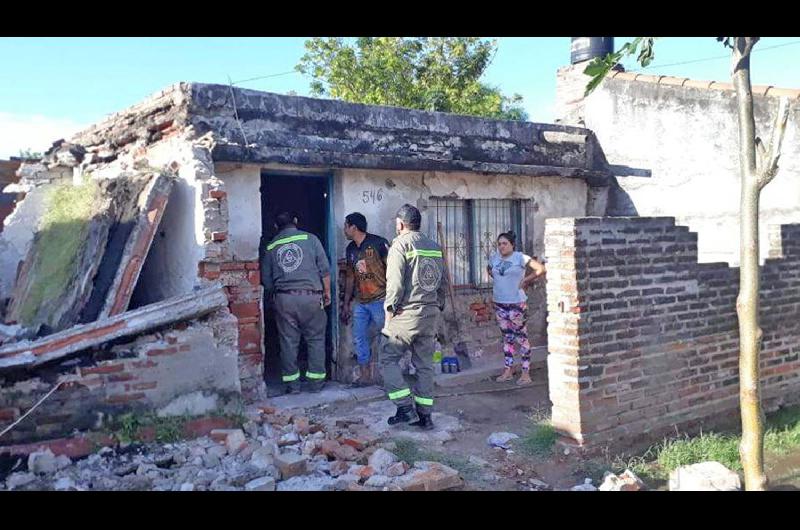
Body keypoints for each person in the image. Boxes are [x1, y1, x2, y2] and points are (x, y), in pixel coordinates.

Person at [380, 204, 447, 430]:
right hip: (430, 313)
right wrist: (438, 307)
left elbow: (395, 283)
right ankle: (425, 416)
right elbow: (442, 283)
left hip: (406, 313)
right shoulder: (434, 246)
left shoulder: (400, 244)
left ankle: (405, 407)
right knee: (425, 365)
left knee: (387, 358)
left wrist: (390, 310)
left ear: (400, 224)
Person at [262, 212, 332, 394]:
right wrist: (327, 293)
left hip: (284, 299)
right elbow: (325, 270)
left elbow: (267, 281)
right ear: (295, 221)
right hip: (311, 297)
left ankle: (292, 386)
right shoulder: (311, 239)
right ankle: (316, 384)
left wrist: (275, 298)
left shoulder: (271, 246)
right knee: (316, 339)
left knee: (288, 342)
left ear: (276, 227)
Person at [486, 231, 546, 386]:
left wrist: (525, 280)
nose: (501, 247)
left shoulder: (520, 257)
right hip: (499, 303)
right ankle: (508, 370)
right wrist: (501, 282)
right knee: (507, 338)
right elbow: (489, 269)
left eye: (505, 243)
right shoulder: (494, 258)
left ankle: (526, 372)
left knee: (521, 338)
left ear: (512, 245)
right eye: (499, 244)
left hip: (516, 304)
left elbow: (540, 269)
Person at [342, 212, 390, 387]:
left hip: (381, 300)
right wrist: (346, 303)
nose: (344, 230)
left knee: (387, 339)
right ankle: (365, 377)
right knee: (359, 338)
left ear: (354, 227)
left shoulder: (379, 243)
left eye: (346, 226)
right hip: (361, 303)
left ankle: (389, 378)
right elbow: (349, 277)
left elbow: (393, 270)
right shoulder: (351, 249)